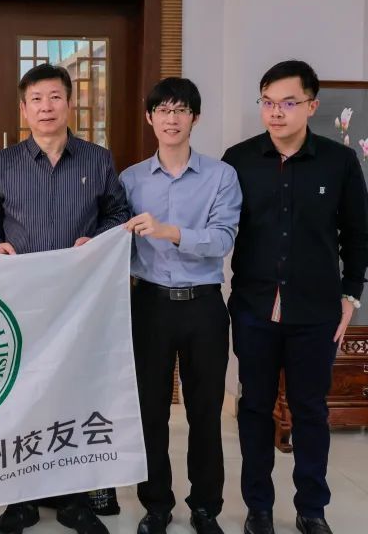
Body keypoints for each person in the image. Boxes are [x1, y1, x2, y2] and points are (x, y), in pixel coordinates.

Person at [0, 63, 132, 534]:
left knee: (75, 390)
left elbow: (119, 214)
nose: (46, 107)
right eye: (36, 99)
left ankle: (74, 497)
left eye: (54, 97)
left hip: (78, 300)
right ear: (23, 109)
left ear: (70, 103)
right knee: (20, 392)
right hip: (21, 300)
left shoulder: (97, 160)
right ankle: (20, 499)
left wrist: (96, 240)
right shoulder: (4, 163)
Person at [222, 61, 368, 534]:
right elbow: (220, 226)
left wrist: (351, 296)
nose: (276, 112)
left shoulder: (338, 161)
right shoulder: (238, 160)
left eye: (288, 102)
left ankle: (312, 508)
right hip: (254, 307)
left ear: (311, 105)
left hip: (316, 310)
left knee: (309, 410)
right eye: (267, 102)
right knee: (254, 408)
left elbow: (358, 233)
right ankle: (259, 508)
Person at [120, 78, 241, 534]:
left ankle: (205, 506)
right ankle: (156, 504)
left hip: (203, 306)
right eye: (163, 110)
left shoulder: (221, 176)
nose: (172, 119)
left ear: (195, 117)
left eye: (181, 110)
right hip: (148, 304)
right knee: (150, 410)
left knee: (205, 411)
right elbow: (118, 242)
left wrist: (168, 231)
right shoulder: (130, 179)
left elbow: (222, 240)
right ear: (149, 118)